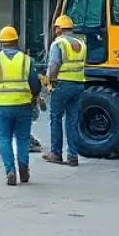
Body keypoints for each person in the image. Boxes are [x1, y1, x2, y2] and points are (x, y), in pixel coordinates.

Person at [0, 26, 41, 186]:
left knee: (4, 139)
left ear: (1, 43)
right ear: (16, 42)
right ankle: (23, 168)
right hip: (24, 105)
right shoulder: (27, 60)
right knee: (22, 138)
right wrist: (34, 97)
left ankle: (10, 171)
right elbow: (35, 83)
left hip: (3, 106)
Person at [42, 14, 86, 167]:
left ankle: (56, 153)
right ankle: (73, 156)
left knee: (56, 118)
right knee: (72, 121)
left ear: (59, 28)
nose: (55, 30)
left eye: (56, 28)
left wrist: (49, 82)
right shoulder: (81, 43)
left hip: (62, 85)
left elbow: (54, 65)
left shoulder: (59, 44)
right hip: (79, 84)